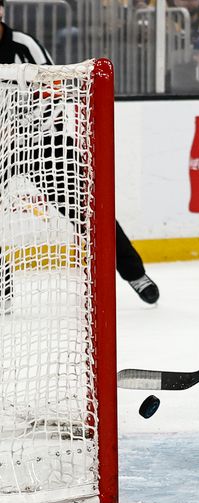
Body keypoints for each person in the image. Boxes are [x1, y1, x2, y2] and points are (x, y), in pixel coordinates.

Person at [0, 2, 160, 304]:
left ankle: (134, 273)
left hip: (43, 142)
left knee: (88, 207)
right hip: (0, 145)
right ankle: (2, 285)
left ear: (2, 11)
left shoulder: (24, 46)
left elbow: (52, 90)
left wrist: (21, 132)